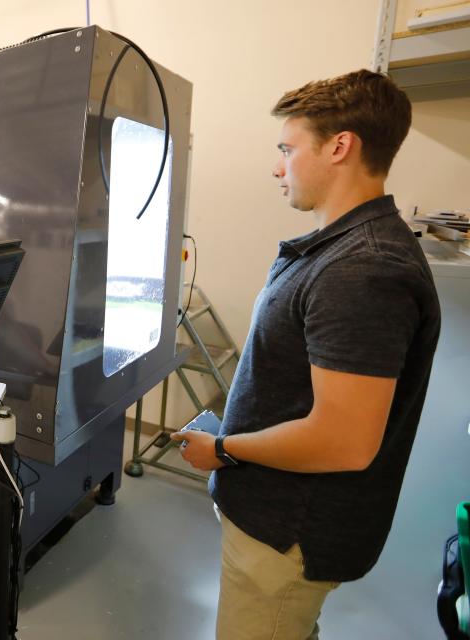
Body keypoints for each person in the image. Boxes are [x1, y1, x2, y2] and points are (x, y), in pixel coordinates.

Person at [171, 70, 440, 639]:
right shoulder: (340, 248)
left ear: (340, 145)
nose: (277, 167)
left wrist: (221, 449)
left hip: (289, 533)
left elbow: (341, 440)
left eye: (287, 150)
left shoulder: (362, 268)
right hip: (278, 519)